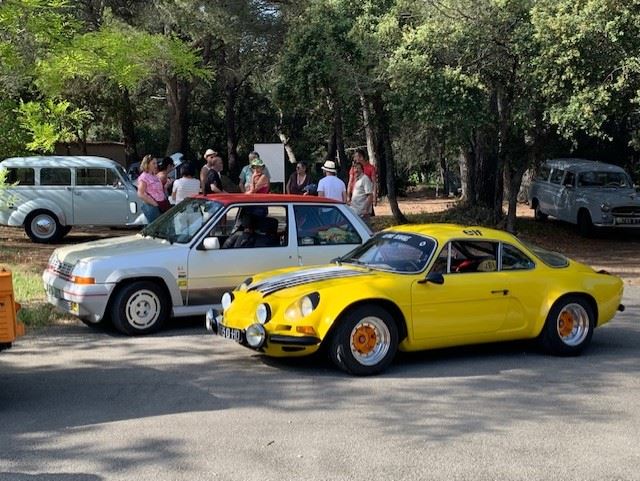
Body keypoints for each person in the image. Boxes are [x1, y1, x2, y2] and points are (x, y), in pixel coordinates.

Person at [137, 155, 169, 222]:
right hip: (151, 207)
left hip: (162, 205)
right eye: (153, 163)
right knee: (156, 226)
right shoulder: (143, 177)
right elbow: (140, 193)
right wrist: (154, 204)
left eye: (156, 163)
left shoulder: (155, 176)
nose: (156, 165)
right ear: (147, 164)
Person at [347, 149, 377, 213]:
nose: (354, 159)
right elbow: (350, 182)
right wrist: (348, 196)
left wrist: (374, 197)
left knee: (365, 213)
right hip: (355, 195)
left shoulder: (370, 168)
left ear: (361, 157)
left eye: (356, 156)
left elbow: (374, 183)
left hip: (366, 195)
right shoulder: (353, 168)